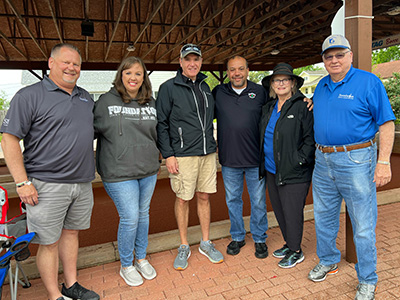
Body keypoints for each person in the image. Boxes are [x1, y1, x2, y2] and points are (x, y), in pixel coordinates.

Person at [0, 44, 99, 300]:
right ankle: (55, 296)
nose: (71, 68)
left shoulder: (86, 97)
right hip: (46, 185)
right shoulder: (29, 95)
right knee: (49, 242)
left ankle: (71, 284)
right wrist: (22, 183)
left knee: (71, 234)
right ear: (51, 63)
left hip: (82, 183)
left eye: (76, 64)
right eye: (66, 62)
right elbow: (9, 139)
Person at [308, 34, 395, 300]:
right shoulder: (321, 86)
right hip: (322, 161)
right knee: (323, 217)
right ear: (323, 60)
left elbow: (386, 124)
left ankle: (367, 279)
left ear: (350, 56)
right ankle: (328, 259)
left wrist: (383, 162)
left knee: (364, 224)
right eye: (328, 56)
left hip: (357, 161)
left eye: (339, 54)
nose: (334, 60)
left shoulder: (369, 82)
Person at [156, 43, 224, 271]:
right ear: (181, 62)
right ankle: (184, 245)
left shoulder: (206, 87)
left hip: (207, 153)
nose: (192, 63)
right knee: (183, 198)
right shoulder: (168, 88)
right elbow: (161, 124)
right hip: (183, 155)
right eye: (188, 59)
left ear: (201, 62)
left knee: (204, 197)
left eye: (196, 59)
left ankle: (205, 242)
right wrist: (169, 154)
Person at [94, 57, 159, 286]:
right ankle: (126, 264)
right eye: (129, 73)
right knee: (130, 217)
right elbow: (86, 133)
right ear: (121, 75)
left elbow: (158, 132)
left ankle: (141, 258)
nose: (133, 77)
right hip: (119, 172)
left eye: (138, 74)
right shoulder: (105, 102)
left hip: (148, 169)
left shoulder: (151, 101)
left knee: (143, 214)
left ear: (144, 78)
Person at [259, 63, 315, 268]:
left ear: (292, 83)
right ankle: (289, 244)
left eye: (285, 80)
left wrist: (299, 160)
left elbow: (310, 139)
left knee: (292, 212)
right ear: (272, 85)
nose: (280, 83)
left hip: (295, 171)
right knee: (281, 211)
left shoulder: (302, 106)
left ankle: (296, 250)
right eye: (276, 80)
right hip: (272, 171)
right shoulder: (268, 108)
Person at [213, 56, 268, 259]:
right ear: (227, 72)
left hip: (255, 159)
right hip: (229, 160)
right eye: (232, 69)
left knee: (258, 201)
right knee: (233, 200)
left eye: (240, 69)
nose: (236, 73)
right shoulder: (218, 92)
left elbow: (279, 106)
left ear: (247, 70)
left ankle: (260, 238)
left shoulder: (260, 92)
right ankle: (237, 236)